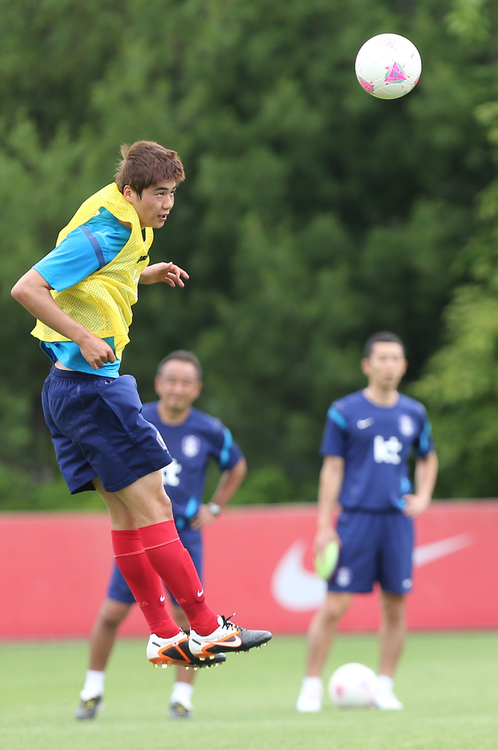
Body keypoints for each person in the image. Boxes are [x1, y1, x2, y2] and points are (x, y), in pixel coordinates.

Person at [11, 141, 271, 676]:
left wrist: (143, 275)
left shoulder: (129, 221)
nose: (168, 202)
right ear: (131, 192)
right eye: (159, 193)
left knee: (127, 514)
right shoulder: (110, 226)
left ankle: (162, 636)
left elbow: (98, 274)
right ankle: (205, 627)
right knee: (157, 506)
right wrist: (84, 337)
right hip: (93, 388)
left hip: (65, 392)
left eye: (173, 192)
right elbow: (28, 287)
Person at [76, 350, 247, 720]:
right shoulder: (135, 418)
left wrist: (215, 506)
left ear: (197, 389)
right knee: (112, 613)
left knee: (189, 616)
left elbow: (236, 465)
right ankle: (92, 690)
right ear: (158, 384)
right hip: (138, 533)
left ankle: (182, 697)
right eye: (171, 380)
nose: (177, 388)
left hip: (184, 535)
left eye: (186, 382)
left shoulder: (209, 429)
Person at [295, 331, 438, 713]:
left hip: (396, 522)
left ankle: (385, 686)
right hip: (355, 520)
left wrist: (423, 496)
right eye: (382, 358)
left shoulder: (414, 412)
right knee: (334, 606)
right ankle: (310, 686)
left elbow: (427, 457)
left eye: (396, 358)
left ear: (404, 366)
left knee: (395, 607)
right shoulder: (344, 411)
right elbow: (333, 467)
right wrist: (325, 525)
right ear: (367, 365)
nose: (389, 365)